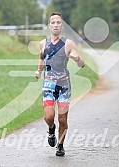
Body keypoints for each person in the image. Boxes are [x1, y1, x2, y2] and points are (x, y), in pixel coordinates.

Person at [34, 12, 85, 156]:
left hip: (64, 86)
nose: (56, 25)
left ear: (62, 25)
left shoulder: (68, 43)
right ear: (49, 25)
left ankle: (60, 145)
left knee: (63, 119)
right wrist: (38, 70)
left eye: (58, 22)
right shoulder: (43, 43)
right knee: (49, 116)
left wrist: (77, 58)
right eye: (53, 22)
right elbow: (42, 58)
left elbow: (82, 64)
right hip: (48, 84)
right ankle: (51, 130)